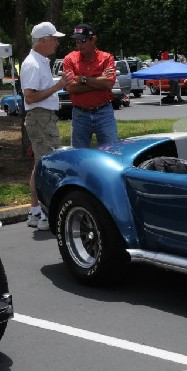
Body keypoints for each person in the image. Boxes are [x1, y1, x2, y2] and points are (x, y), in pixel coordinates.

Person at [20, 22, 73, 230]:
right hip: (41, 119)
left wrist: (57, 84)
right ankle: (44, 213)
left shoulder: (39, 61)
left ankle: (35, 211)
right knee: (47, 166)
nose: (57, 43)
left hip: (43, 118)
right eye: (54, 39)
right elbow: (30, 97)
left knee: (39, 165)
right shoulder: (33, 64)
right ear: (43, 40)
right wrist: (58, 86)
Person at [63, 23, 118, 148]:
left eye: (82, 40)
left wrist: (82, 79)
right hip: (80, 114)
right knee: (79, 156)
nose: (79, 44)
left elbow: (108, 83)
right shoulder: (69, 59)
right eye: (76, 41)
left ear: (93, 40)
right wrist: (98, 81)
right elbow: (70, 88)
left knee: (111, 152)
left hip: (104, 112)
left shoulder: (106, 58)